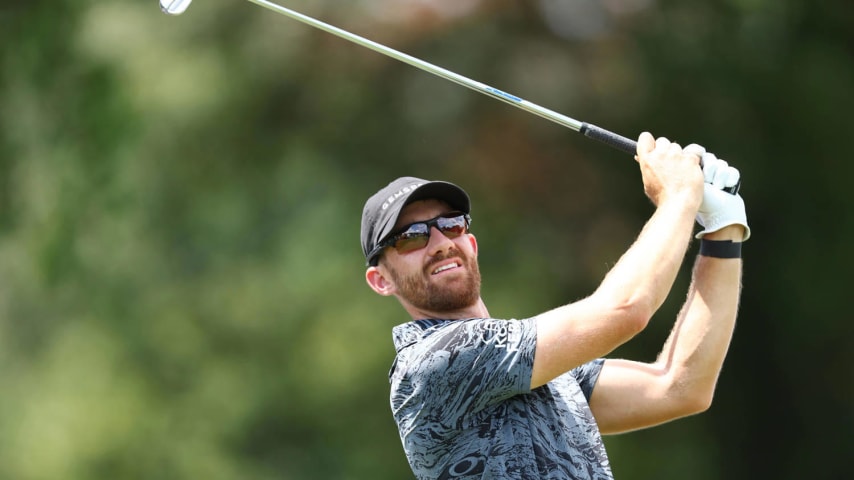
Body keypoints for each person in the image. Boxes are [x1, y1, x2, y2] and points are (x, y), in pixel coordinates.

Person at [359, 132, 750, 479]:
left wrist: (723, 232)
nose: (441, 242)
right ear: (382, 280)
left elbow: (680, 388)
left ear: (471, 244)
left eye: (452, 225)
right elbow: (625, 309)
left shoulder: (532, 367)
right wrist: (680, 197)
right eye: (411, 237)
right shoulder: (432, 364)